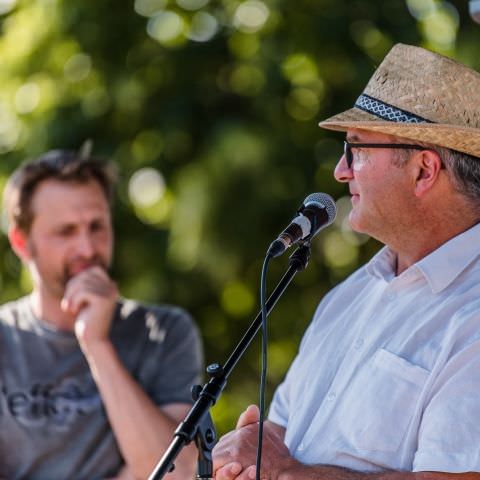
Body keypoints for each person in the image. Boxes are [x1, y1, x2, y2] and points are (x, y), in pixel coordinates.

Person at [213, 43, 480, 479]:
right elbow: (281, 434)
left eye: (356, 149)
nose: (340, 170)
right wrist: (251, 451)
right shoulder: (349, 296)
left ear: (424, 171)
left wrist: (285, 473)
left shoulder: (473, 314)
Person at [0, 149, 203, 480]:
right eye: (65, 232)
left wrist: (96, 343)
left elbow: (176, 471)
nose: (88, 248)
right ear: (22, 243)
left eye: (97, 226)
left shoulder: (163, 331)